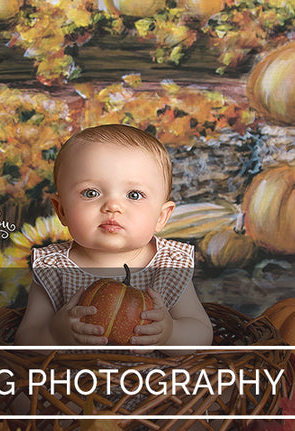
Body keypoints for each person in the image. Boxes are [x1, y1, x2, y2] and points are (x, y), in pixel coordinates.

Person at [15, 124, 213, 348]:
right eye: (91, 193)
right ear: (61, 210)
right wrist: (53, 335)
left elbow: (202, 334)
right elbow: (26, 338)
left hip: (153, 381)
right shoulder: (53, 267)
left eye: (134, 194)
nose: (113, 206)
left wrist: (171, 333)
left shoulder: (169, 265)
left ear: (161, 216)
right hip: (73, 381)